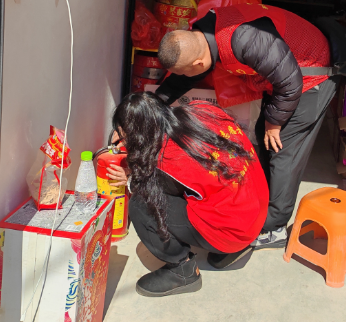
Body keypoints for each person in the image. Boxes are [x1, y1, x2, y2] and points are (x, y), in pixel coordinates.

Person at [155, 3, 338, 268]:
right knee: (262, 142)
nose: (184, 76)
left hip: (310, 77)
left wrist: (275, 123)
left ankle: (273, 228)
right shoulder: (203, 35)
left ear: (198, 63)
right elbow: (181, 80)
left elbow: (291, 82)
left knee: (282, 151)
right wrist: (150, 107)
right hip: (284, 76)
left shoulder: (245, 39)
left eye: (185, 70)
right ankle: (259, 210)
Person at [105, 92, 269, 297]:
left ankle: (182, 271)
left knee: (141, 203)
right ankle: (233, 249)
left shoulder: (167, 161)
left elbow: (152, 185)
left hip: (233, 233)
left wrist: (131, 180)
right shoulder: (203, 109)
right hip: (256, 213)